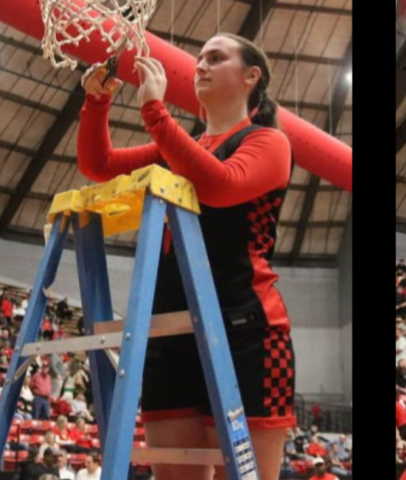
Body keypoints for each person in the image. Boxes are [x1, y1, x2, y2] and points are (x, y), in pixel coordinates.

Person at [73, 32, 338, 480]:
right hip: (168, 328)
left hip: (245, 330)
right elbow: (97, 165)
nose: (201, 66)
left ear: (252, 76)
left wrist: (155, 111)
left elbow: (220, 186)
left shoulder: (269, 142)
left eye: (216, 58)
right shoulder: (177, 148)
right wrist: (97, 104)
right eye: (199, 59)